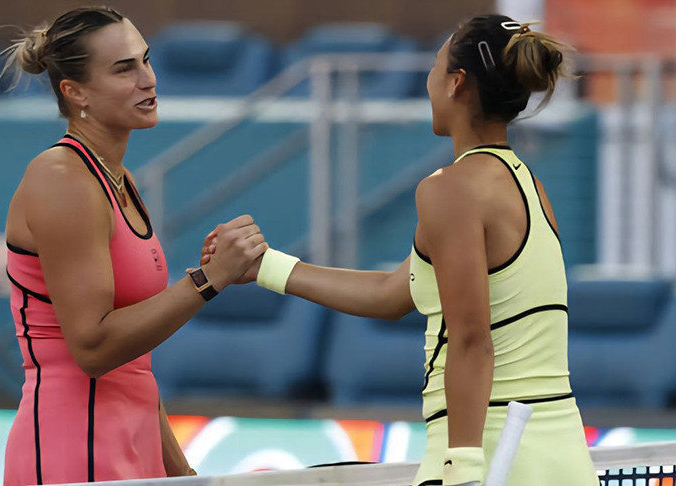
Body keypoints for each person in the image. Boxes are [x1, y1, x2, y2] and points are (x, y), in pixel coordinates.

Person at [202, 14, 599, 486]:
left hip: (491, 454)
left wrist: (464, 469)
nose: (428, 82)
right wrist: (267, 266)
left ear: (456, 83)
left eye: (434, 68)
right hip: (561, 456)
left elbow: (472, 341)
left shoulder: (450, 190)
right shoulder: (529, 185)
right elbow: (395, 293)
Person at [0, 7, 266, 485]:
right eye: (125, 68)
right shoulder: (61, 178)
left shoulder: (115, 179)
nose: (149, 79)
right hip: (71, 453)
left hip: (133, 452)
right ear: (75, 92)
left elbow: (133, 365)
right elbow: (95, 348)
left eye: (146, 60)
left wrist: (179, 469)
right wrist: (210, 278)